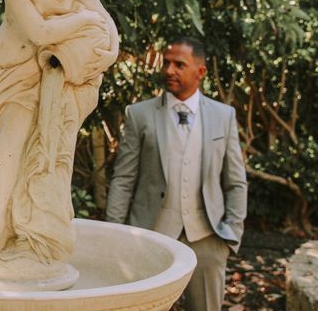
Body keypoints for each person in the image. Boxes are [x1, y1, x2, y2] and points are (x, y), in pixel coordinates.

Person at [0, 0, 118, 279]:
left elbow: (108, 26)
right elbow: (39, 32)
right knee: (5, 149)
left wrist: (103, 48)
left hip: (49, 78)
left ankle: (36, 238)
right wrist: (83, 23)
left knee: (44, 155)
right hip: (8, 74)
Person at [106, 36, 247, 310]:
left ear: (200, 72)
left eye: (179, 64)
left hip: (208, 239)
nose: (169, 70)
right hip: (149, 237)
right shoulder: (140, 115)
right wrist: (116, 234)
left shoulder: (223, 116)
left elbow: (236, 182)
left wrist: (231, 236)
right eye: (167, 63)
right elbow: (123, 180)